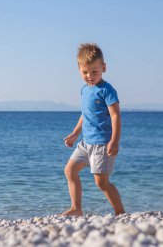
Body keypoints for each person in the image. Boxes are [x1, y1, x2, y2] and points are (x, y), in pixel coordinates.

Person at [61, 43, 125, 216]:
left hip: (102, 144)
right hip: (85, 143)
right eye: (85, 72)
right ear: (79, 70)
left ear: (103, 67)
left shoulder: (107, 90)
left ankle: (120, 212)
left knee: (102, 183)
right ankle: (76, 208)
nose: (90, 76)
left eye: (94, 71)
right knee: (70, 170)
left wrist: (114, 141)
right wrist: (75, 133)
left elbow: (115, 116)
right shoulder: (85, 90)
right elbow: (86, 114)